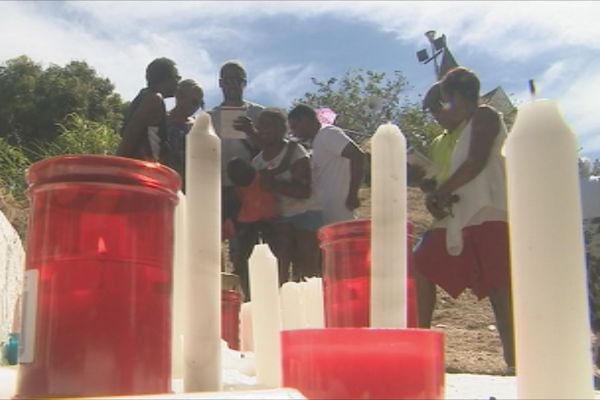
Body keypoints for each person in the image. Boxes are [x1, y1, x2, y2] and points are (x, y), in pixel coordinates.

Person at [413, 68, 515, 373]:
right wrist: (438, 196)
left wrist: (441, 192)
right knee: (420, 264)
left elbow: (476, 163)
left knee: (500, 290)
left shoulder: (485, 115)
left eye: (442, 103)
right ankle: (421, 347)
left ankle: (516, 362)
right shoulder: (459, 133)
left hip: (489, 213)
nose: (440, 112)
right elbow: (458, 177)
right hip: (461, 219)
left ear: (456, 97)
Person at [252, 108, 323, 286]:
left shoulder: (295, 151)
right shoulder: (257, 162)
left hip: (307, 212)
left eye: (269, 124)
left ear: (281, 128)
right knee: (279, 267)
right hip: (280, 218)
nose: (263, 129)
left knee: (307, 267)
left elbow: (304, 191)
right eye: (260, 125)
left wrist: (275, 185)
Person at [209, 60, 264, 279]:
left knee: (246, 247)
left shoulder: (258, 113)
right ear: (220, 83)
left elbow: (272, 150)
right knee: (213, 244)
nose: (232, 85)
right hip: (217, 188)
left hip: (249, 189)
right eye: (227, 80)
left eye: (237, 80)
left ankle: (249, 295)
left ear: (245, 83)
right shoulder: (209, 117)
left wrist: (251, 132)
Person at [287, 104, 365, 226]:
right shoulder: (314, 143)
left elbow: (358, 155)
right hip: (324, 212)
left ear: (306, 120)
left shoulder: (328, 133)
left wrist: (353, 194)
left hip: (340, 212)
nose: (294, 132)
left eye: (295, 127)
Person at [226, 157, 278, 299]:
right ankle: (250, 296)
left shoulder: (263, 178)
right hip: (248, 227)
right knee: (246, 264)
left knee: (266, 262)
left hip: (265, 224)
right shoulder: (238, 189)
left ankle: (266, 294)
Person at [117, 58, 180, 163]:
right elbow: (131, 133)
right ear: (166, 78)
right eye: (177, 77)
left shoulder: (145, 96)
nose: (178, 82)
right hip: (142, 169)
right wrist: (119, 165)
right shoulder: (154, 99)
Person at [165, 79, 204, 192]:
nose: (196, 107)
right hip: (164, 180)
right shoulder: (161, 120)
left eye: (200, 104)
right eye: (194, 102)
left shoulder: (196, 127)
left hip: (189, 186)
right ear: (180, 96)